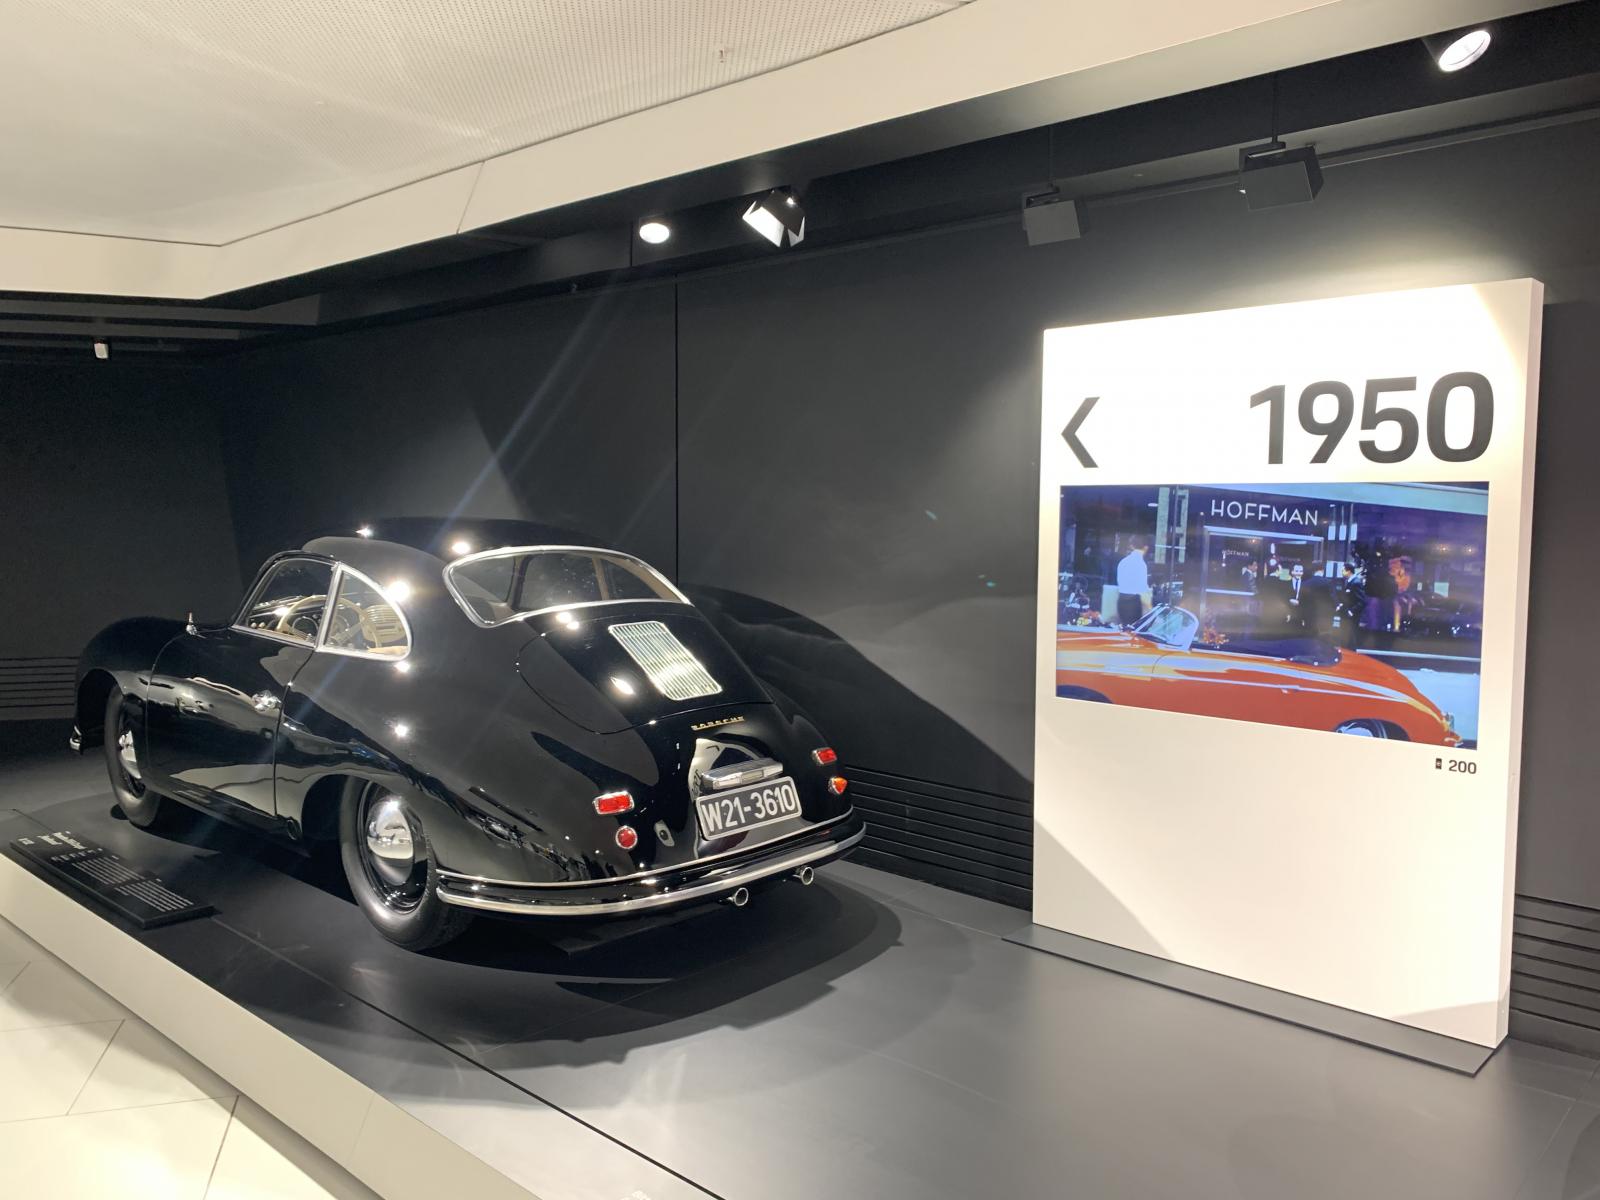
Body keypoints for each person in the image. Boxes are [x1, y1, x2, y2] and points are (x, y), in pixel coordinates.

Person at [1115, 536, 1150, 626]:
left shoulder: (1123, 562)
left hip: (1121, 601)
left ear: (1131, 546)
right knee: (1133, 630)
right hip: (1133, 604)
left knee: (1124, 628)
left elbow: (1119, 582)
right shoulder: (1141, 564)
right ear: (1145, 548)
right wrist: (1150, 607)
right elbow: (1142, 590)